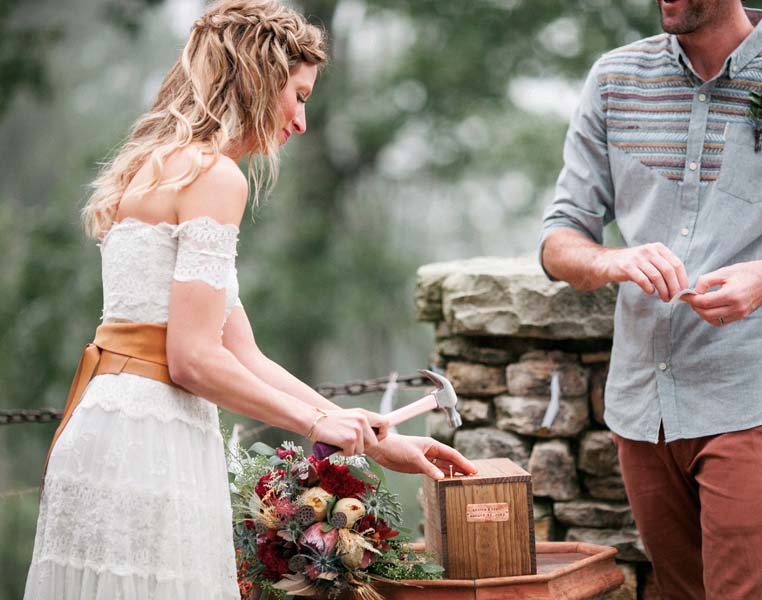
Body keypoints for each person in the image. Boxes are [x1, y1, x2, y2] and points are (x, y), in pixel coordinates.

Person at [24, 1, 475, 598]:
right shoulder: (214, 177)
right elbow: (192, 361)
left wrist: (377, 440)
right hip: (149, 439)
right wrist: (319, 422)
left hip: (108, 426)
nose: (301, 121)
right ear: (260, 80)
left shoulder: (156, 167)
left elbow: (241, 353)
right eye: (300, 95)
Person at [540, 1, 762, 598]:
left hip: (748, 405)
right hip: (639, 408)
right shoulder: (613, 79)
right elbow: (559, 238)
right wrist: (611, 259)